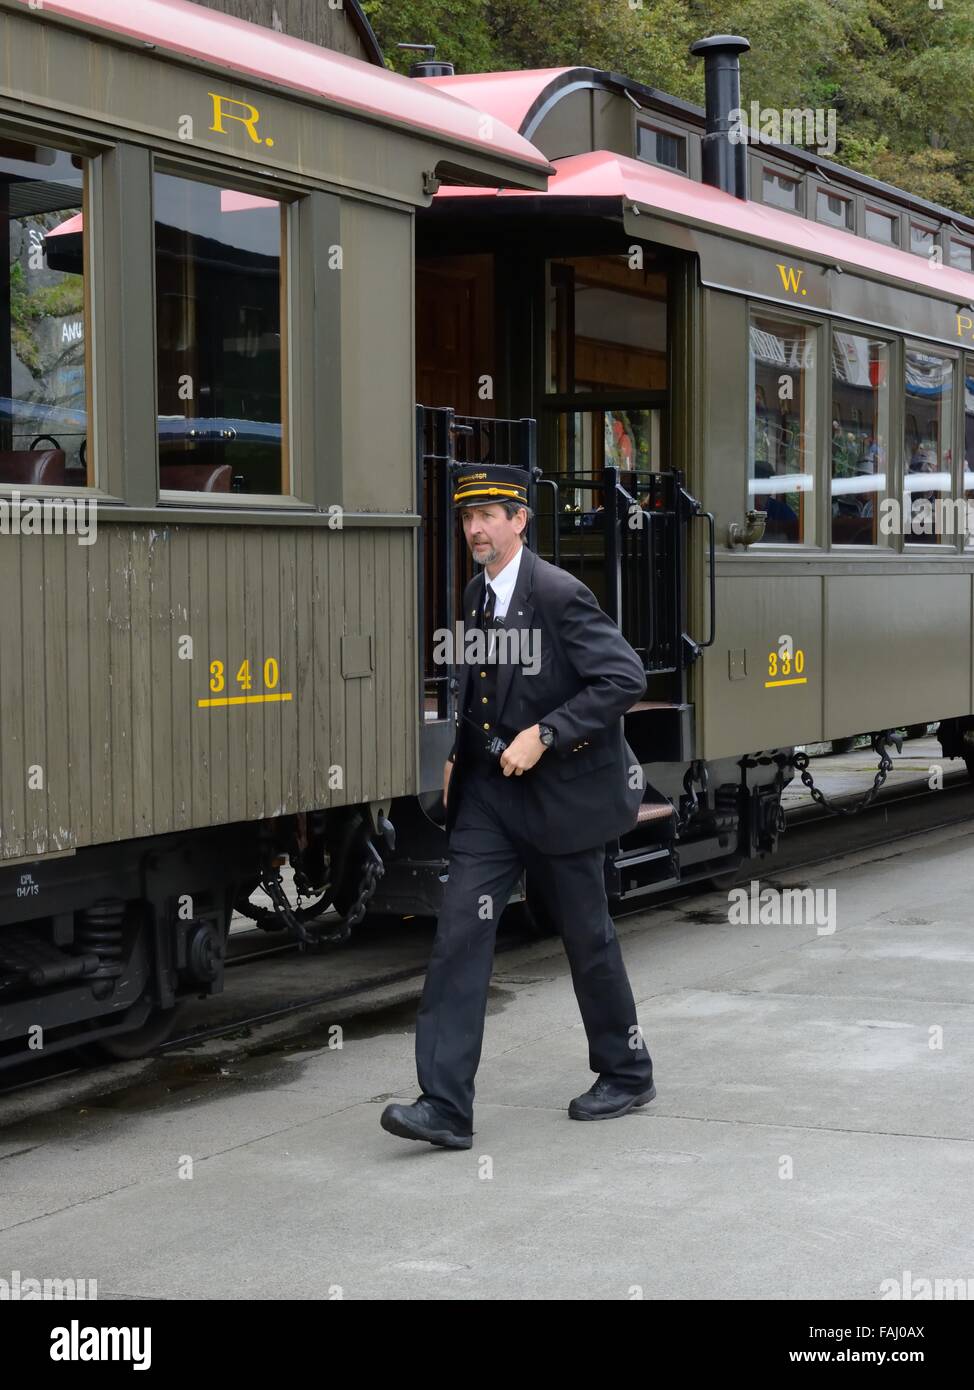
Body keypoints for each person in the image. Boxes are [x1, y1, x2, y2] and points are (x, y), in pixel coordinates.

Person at [380, 463, 655, 1150]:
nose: (475, 528)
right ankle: (444, 1105)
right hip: (490, 801)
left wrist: (546, 733)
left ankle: (626, 1071)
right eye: (468, 518)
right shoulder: (475, 595)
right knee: (459, 938)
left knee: (587, 939)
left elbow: (624, 677)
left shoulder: (559, 594)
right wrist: (454, 753)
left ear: (519, 521)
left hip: (561, 797)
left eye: (489, 516)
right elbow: (475, 682)